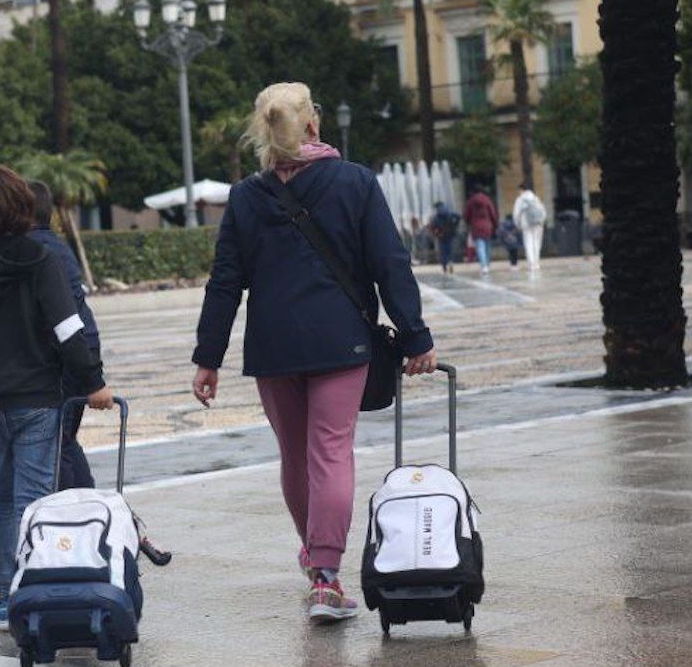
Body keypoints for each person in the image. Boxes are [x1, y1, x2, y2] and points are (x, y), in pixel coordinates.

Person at [192, 82, 437, 623]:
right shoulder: (355, 182)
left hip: (272, 347)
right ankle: (325, 578)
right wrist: (415, 336)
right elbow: (389, 263)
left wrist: (207, 357)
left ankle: (317, 564)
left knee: (297, 456)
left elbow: (225, 282)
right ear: (313, 126)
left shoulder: (246, 197)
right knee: (330, 452)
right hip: (341, 341)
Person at [0, 164, 114, 632]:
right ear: (20, 206)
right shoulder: (40, 259)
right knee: (34, 497)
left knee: (1, 497)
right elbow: (68, 330)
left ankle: (6, 600)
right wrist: (93, 383)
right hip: (36, 398)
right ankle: (32, 593)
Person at [27, 180, 99, 491]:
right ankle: (89, 508)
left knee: (58, 443)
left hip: (69, 353)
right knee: (64, 439)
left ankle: (79, 514)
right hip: (84, 348)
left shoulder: (34, 250)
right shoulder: (55, 244)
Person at [512, 185, 548, 275]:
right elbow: (543, 210)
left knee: (529, 243)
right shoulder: (535, 198)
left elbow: (516, 214)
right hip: (538, 224)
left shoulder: (520, 200)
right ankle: (536, 263)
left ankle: (531, 264)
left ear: (521, 190)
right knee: (537, 244)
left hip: (526, 224)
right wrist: (542, 221)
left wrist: (517, 224)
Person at [464, 185, 498, 277]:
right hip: (487, 226)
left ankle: (484, 266)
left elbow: (466, 215)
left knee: (480, 247)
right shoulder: (487, 200)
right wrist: (495, 225)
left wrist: (468, 222)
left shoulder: (471, 201)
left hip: (476, 226)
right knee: (487, 246)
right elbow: (492, 214)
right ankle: (487, 264)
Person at [428, 201, 461, 272]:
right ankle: (450, 262)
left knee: (443, 251)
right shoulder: (449, 212)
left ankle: (444, 266)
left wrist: (436, 233)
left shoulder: (437, 216)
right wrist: (455, 225)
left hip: (441, 235)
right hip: (450, 234)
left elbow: (433, 226)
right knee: (450, 250)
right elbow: (458, 216)